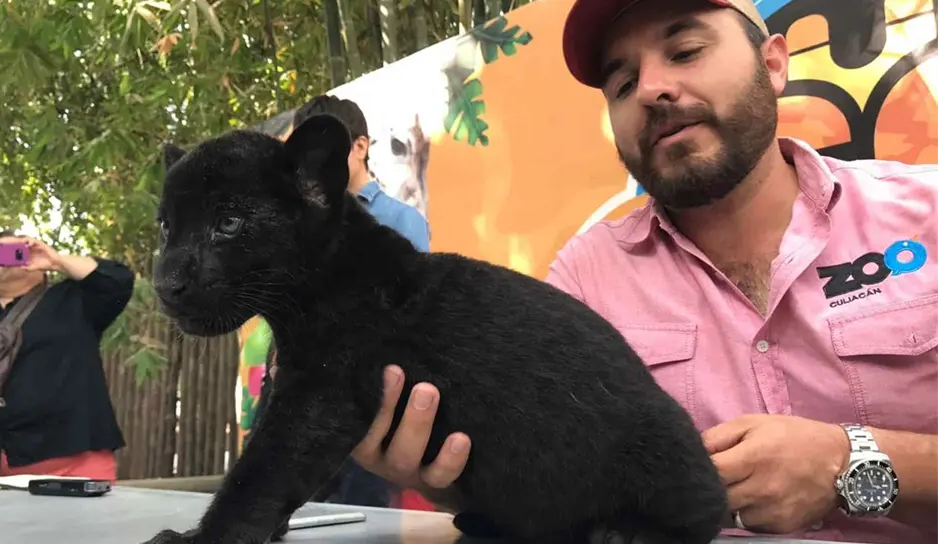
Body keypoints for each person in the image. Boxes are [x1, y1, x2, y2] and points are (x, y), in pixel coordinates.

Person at [345, 0, 938, 542]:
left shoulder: (926, 212)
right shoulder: (582, 281)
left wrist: (854, 460)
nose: (652, 89)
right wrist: (445, 472)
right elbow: (547, 484)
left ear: (774, 63)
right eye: (623, 82)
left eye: (685, 52)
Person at [253, 94, 431, 509]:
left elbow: (407, 310)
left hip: (366, 395)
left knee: (362, 513)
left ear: (360, 147)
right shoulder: (292, 219)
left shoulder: (404, 222)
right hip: (292, 383)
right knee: (271, 507)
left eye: (325, 152)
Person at [0, 232, 134, 481]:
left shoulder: (75, 300)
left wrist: (56, 260)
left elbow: (118, 279)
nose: (8, 258)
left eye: (19, 252)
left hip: (69, 463)